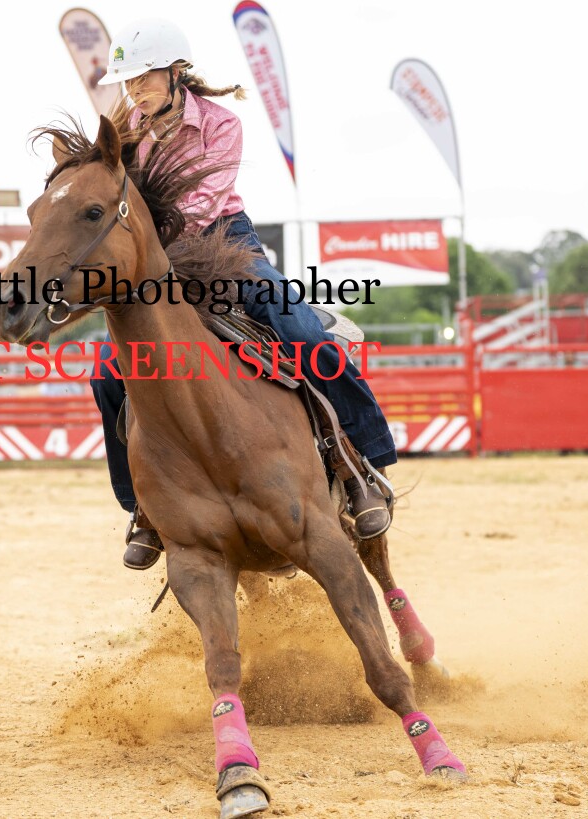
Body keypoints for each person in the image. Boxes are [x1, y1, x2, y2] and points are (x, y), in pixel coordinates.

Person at [91, 19, 397, 570]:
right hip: (155, 257)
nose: (133, 88)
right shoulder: (124, 131)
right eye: (128, 80)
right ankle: (142, 508)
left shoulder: (221, 123)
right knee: (107, 373)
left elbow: (206, 204)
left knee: (303, 332)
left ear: (175, 71)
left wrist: (150, 244)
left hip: (225, 242)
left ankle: (362, 466)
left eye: (142, 76)